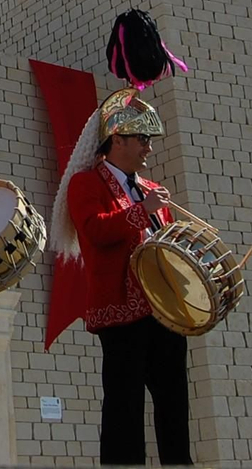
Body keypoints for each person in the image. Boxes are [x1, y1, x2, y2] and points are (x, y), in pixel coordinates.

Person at [53, 86, 190, 467]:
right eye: (142, 139)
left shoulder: (152, 190)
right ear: (119, 139)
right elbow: (95, 231)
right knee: (124, 405)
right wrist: (140, 212)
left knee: (174, 401)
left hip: (162, 309)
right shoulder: (87, 183)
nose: (149, 148)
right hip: (119, 309)